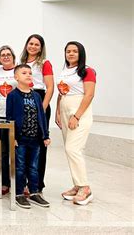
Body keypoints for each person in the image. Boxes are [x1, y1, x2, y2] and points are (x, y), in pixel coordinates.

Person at [56, 41, 96, 206]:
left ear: (81, 54)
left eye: (74, 51)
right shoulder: (65, 71)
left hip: (79, 111)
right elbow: (61, 92)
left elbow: (89, 95)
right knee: (70, 150)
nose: (71, 54)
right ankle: (77, 185)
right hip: (65, 109)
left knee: (72, 149)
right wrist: (58, 111)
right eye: (68, 51)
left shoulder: (87, 71)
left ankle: (85, 188)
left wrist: (77, 116)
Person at [6, 64, 51, 209]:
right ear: (16, 77)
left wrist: (45, 135)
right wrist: (12, 137)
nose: (28, 75)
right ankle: (19, 193)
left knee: (33, 167)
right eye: (24, 72)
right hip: (21, 139)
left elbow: (41, 117)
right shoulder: (12, 96)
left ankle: (34, 192)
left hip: (35, 139)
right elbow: (10, 118)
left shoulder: (36, 96)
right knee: (20, 167)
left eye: (30, 73)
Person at [20, 34, 54, 192]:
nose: (33, 46)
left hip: (39, 100)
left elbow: (50, 87)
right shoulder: (22, 64)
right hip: (23, 100)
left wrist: (42, 108)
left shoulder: (44, 64)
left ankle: (37, 184)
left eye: (37, 44)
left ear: (41, 48)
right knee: (25, 142)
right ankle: (24, 181)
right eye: (30, 43)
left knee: (40, 145)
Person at [0, 45, 18, 195]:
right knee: (2, 152)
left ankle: (21, 182)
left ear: (13, 57)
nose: (6, 57)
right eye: (3, 55)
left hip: (17, 116)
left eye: (8, 54)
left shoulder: (19, 69)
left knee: (18, 151)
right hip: (1, 115)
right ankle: (4, 183)